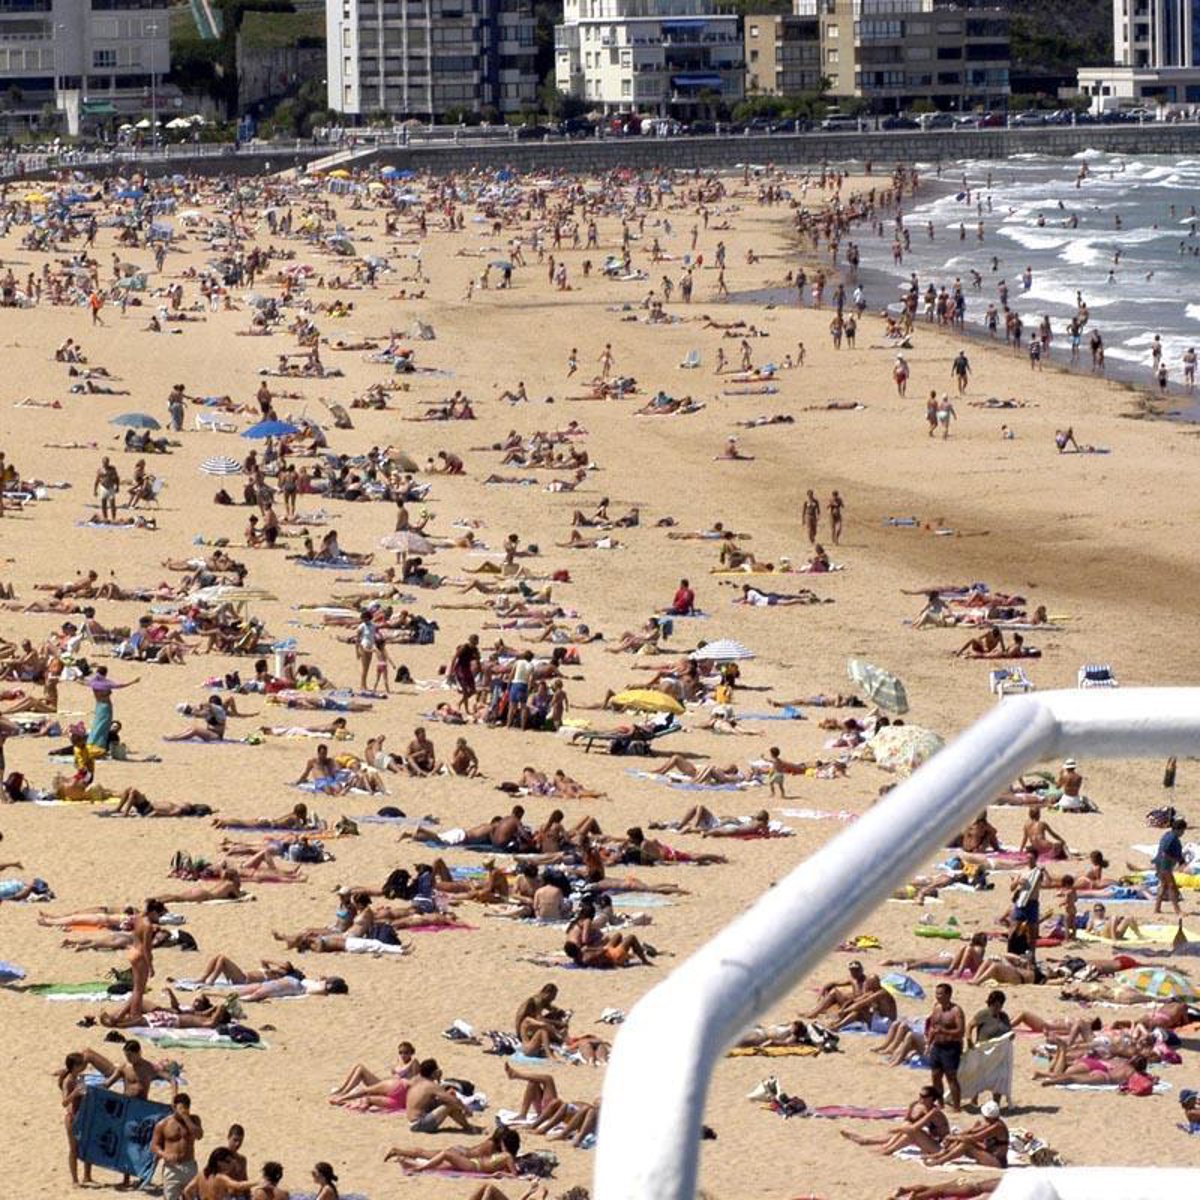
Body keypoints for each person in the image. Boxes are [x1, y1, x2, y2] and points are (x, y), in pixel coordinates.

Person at [151, 1092, 204, 1200]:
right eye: (180, 1108)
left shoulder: (194, 1120)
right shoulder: (163, 1124)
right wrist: (164, 1155)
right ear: (174, 1107)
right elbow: (154, 1146)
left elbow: (199, 1135)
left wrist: (186, 1118)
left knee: (190, 1196)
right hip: (172, 1168)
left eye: (186, 1108)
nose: (183, 1111)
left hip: (189, 1165)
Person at [924, 1101, 1008, 1168]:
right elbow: (971, 1131)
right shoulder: (991, 1123)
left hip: (997, 1161)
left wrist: (953, 1138)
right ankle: (941, 1155)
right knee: (962, 1138)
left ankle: (940, 1161)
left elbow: (974, 1137)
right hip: (989, 1152)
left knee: (966, 1144)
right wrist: (954, 1136)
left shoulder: (998, 1127)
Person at [927, 982, 966, 1111]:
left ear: (948, 995)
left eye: (940, 994)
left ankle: (957, 1107)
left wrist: (944, 1031)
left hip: (951, 1047)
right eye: (936, 993)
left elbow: (961, 1031)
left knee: (951, 1077)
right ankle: (940, 1103)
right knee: (935, 1076)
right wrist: (929, 1043)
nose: (937, 996)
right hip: (937, 1046)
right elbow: (933, 1027)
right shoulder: (936, 1008)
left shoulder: (956, 1011)